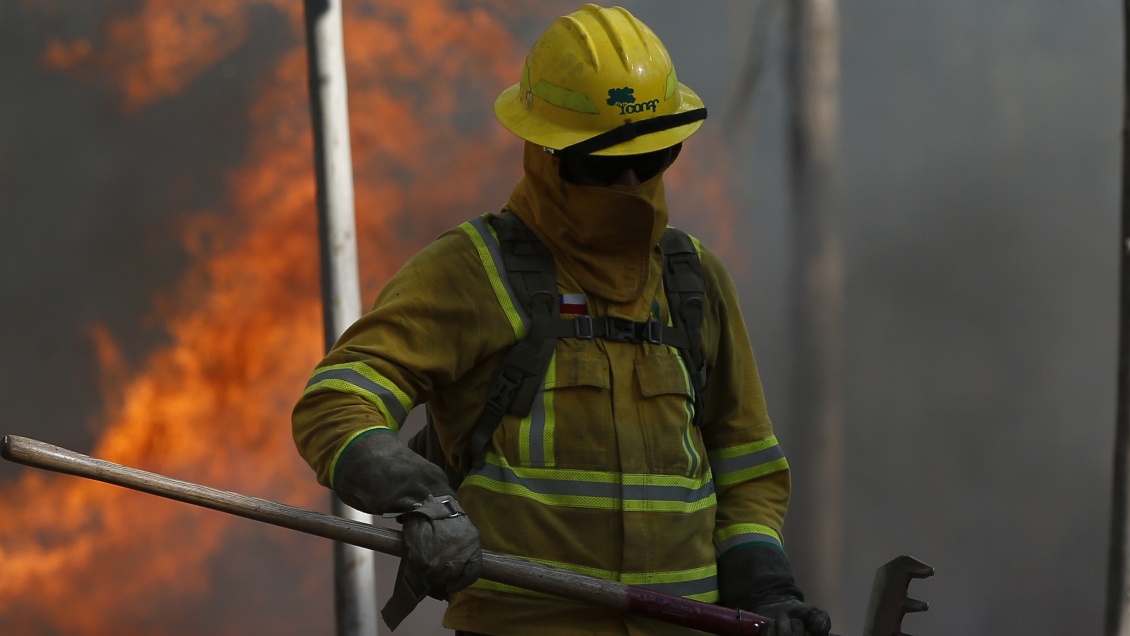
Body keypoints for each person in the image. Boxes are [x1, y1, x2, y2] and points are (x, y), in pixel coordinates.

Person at [292, 4, 831, 635]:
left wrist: (764, 587)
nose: (630, 182)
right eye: (604, 164)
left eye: (653, 157)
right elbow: (336, 401)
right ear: (547, 154)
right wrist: (424, 500)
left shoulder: (694, 282)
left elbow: (745, 468)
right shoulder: (474, 270)